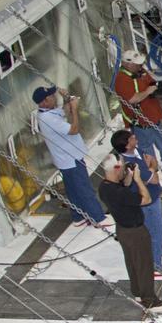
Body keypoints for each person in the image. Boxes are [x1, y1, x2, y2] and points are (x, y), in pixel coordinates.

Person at [97, 157, 162, 313]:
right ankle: (150, 301)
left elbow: (122, 186)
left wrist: (129, 177)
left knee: (132, 262)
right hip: (136, 231)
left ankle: (138, 292)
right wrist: (137, 179)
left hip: (123, 230)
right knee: (144, 265)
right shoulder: (120, 193)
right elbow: (146, 199)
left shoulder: (104, 187)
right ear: (117, 168)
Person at [33, 85, 107, 226]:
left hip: (66, 159)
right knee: (84, 188)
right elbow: (74, 129)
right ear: (44, 101)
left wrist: (66, 99)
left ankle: (78, 217)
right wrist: (75, 110)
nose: (55, 98)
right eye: (52, 96)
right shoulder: (48, 118)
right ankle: (98, 218)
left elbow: (63, 112)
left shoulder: (48, 112)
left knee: (73, 190)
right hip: (70, 158)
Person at [111, 129, 162, 277]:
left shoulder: (137, 151)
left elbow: (153, 162)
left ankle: (159, 251)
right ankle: (155, 264)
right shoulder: (130, 164)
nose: (135, 137)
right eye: (132, 138)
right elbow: (154, 178)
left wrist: (151, 168)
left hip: (153, 196)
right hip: (148, 203)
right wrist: (150, 168)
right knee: (155, 231)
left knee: (159, 226)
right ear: (127, 145)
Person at [113, 50, 162, 167]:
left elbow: (151, 83)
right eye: (137, 64)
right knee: (146, 145)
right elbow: (132, 99)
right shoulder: (121, 79)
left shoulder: (140, 71)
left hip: (152, 113)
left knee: (160, 137)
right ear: (127, 64)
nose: (140, 66)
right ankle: (152, 168)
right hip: (140, 119)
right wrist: (147, 91)